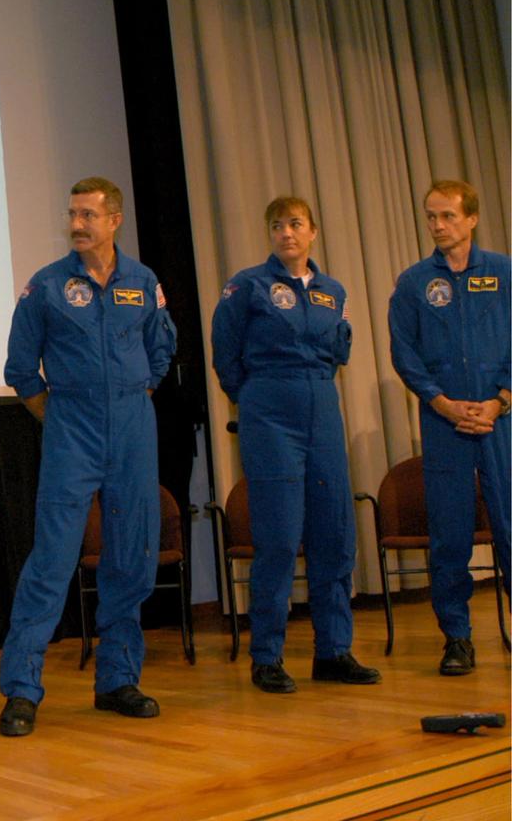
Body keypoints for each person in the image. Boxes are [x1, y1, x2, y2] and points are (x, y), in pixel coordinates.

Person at [0, 177, 175, 736]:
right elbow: (21, 370)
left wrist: (130, 399)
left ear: (115, 219)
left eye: (88, 215)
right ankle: (22, 690)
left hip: (131, 427)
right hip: (71, 424)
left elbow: (161, 349)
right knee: (51, 561)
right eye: (72, 214)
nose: (77, 224)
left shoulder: (143, 282)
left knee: (132, 557)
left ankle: (118, 680)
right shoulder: (47, 286)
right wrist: (60, 417)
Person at [211, 197, 380, 694]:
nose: (286, 233)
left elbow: (338, 352)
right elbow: (226, 354)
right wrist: (255, 399)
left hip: (322, 408)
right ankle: (267, 656)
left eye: (295, 224)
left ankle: (333, 651)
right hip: (268, 409)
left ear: (313, 232)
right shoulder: (247, 285)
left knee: (334, 532)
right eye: (277, 226)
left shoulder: (333, 290)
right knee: (280, 537)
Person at [388, 180, 510, 676]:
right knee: (451, 534)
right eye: (432, 217)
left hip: (501, 421)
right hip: (445, 424)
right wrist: (441, 403)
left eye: (448, 216)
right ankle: (457, 638)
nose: (438, 226)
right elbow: (404, 352)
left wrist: (501, 400)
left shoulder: (503, 272)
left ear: (472, 218)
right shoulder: (415, 282)